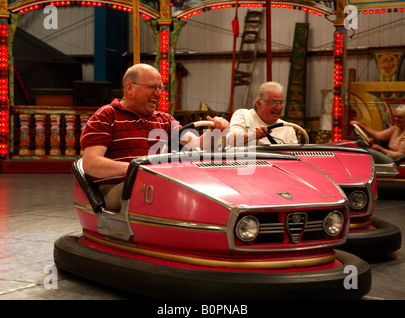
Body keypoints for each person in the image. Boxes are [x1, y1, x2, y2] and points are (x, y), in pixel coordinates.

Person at [80, 63, 229, 210]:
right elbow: (91, 163)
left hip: (155, 184)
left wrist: (215, 131)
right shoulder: (107, 116)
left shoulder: (164, 120)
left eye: (160, 88)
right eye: (152, 87)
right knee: (159, 188)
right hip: (118, 188)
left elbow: (197, 144)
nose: (158, 93)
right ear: (130, 88)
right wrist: (136, 169)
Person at [227, 81, 298, 146]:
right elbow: (230, 140)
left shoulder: (288, 128)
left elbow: (295, 156)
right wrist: (253, 135)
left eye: (280, 102)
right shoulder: (243, 115)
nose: (278, 107)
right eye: (273, 102)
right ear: (259, 103)